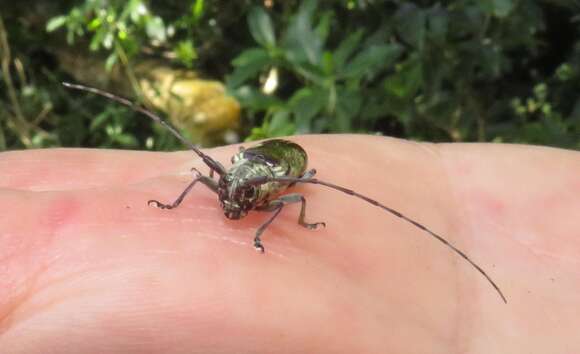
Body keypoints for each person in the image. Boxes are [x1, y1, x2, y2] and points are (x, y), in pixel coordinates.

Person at [0, 135, 578, 352]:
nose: (230, 208)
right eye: (232, 201)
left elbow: (294, 196)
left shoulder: (276, 196)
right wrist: (186, 199)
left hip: (285, 161)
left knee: (303, 199)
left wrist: (265, 231)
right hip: (259, 157)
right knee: (198, 174)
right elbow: (214, 181)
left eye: (239, 206)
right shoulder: (224, 180)